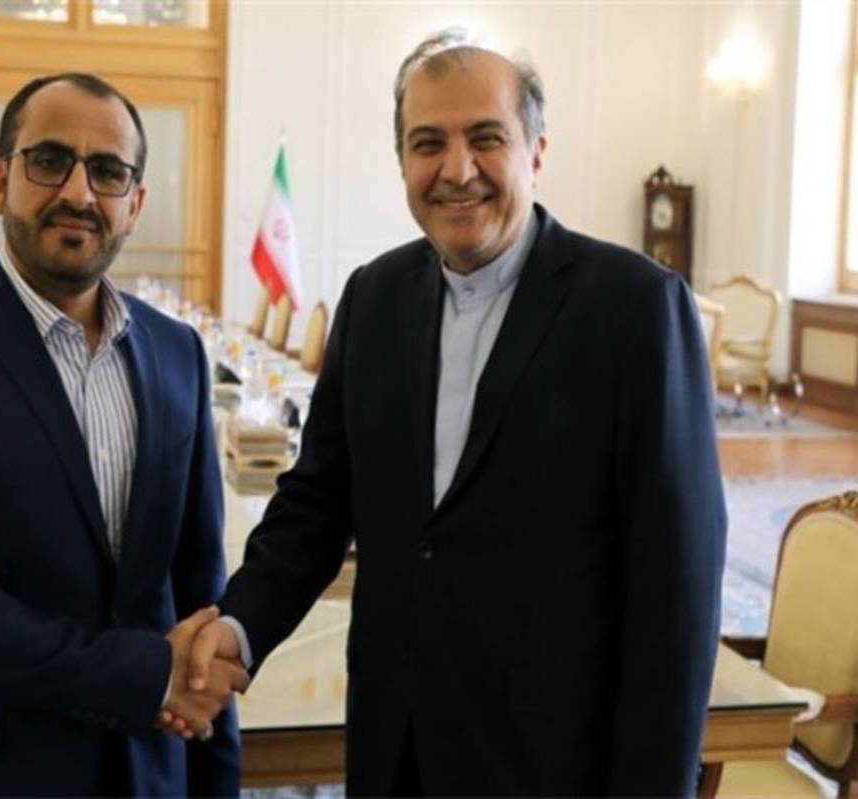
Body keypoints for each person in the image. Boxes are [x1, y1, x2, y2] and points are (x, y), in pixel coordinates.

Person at [184, 32, 727, 796]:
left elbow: (677, 589)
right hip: (391, 747)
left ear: (536, 153)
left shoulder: (635, 309)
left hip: (553, 764)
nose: (457, 169)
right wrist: (238, 628)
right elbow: (317, 503)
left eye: (486, 138)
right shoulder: (373, 298)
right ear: (402, 160)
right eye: (428, 143)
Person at [0, 73, 247, 796]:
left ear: (135, 204)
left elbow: (199, 592)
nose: (79, 193)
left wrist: (214, 776)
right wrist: (146, 674)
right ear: (0, 182)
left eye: (109, 171)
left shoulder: (178, 353)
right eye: (50, 161)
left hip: (146, 770)